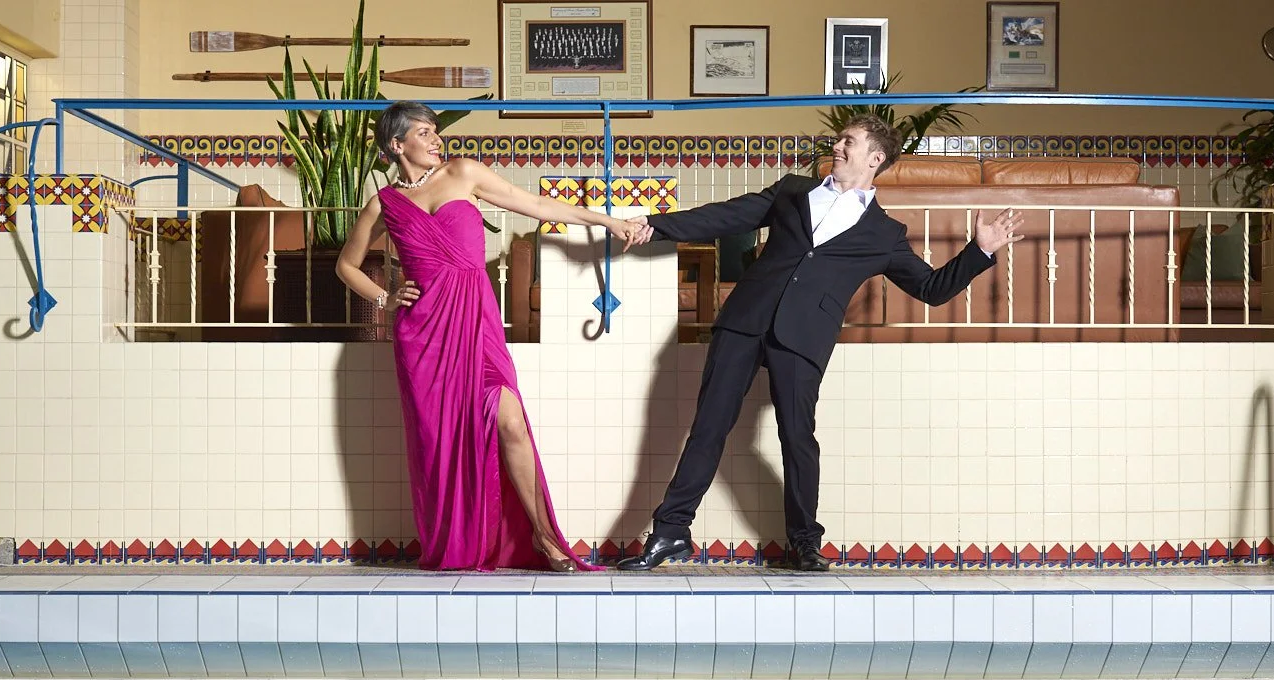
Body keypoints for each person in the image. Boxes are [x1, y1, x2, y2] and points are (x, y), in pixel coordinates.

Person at [618, 115, 1024, 572]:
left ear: (875, 158)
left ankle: (803, 544)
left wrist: (979, 251)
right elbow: (729, 214)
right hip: (745, 321)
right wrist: (657, 224)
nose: (838, 146)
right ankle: (671, 532)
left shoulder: (883, 234)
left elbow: (931, 289)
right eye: (839, 139)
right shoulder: (792, 190)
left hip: (803, 338)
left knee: (797, 438)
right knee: (709, 427)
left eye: (848, 141)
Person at [336, 101, 647, 572]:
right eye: (423, 132)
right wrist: (386, 298)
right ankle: (460, 545)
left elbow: (539, 206)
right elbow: (346, 265)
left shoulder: (464, 173)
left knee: (510, 422)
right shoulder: (385, 204)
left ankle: (547, 540)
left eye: (435, 130)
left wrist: (606, 220)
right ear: (397, 145)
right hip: (423, 336)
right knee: (440, 444)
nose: (435, 138)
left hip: (474, 321)